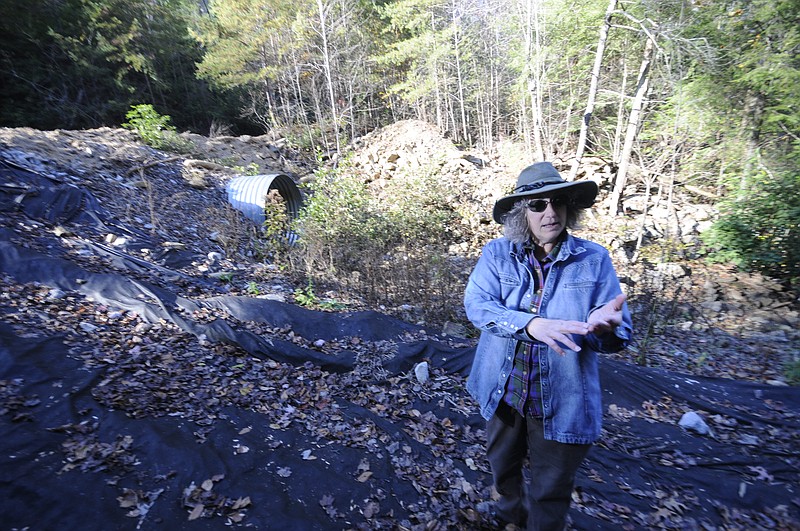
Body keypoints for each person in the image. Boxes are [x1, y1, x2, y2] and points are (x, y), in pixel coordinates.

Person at [464, 162, 632, 530]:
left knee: (551, 490)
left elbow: (617, 332)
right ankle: (509, 517)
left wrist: (604, 330)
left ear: (571, 207)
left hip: (563, 402)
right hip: (504, 394)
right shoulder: (496, 254)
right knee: (502, 472)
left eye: (558, 201)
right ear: (521, 213)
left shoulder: (593, 260)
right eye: (537, 204)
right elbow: (477, 305)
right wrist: (532, 325)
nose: (550, 212)